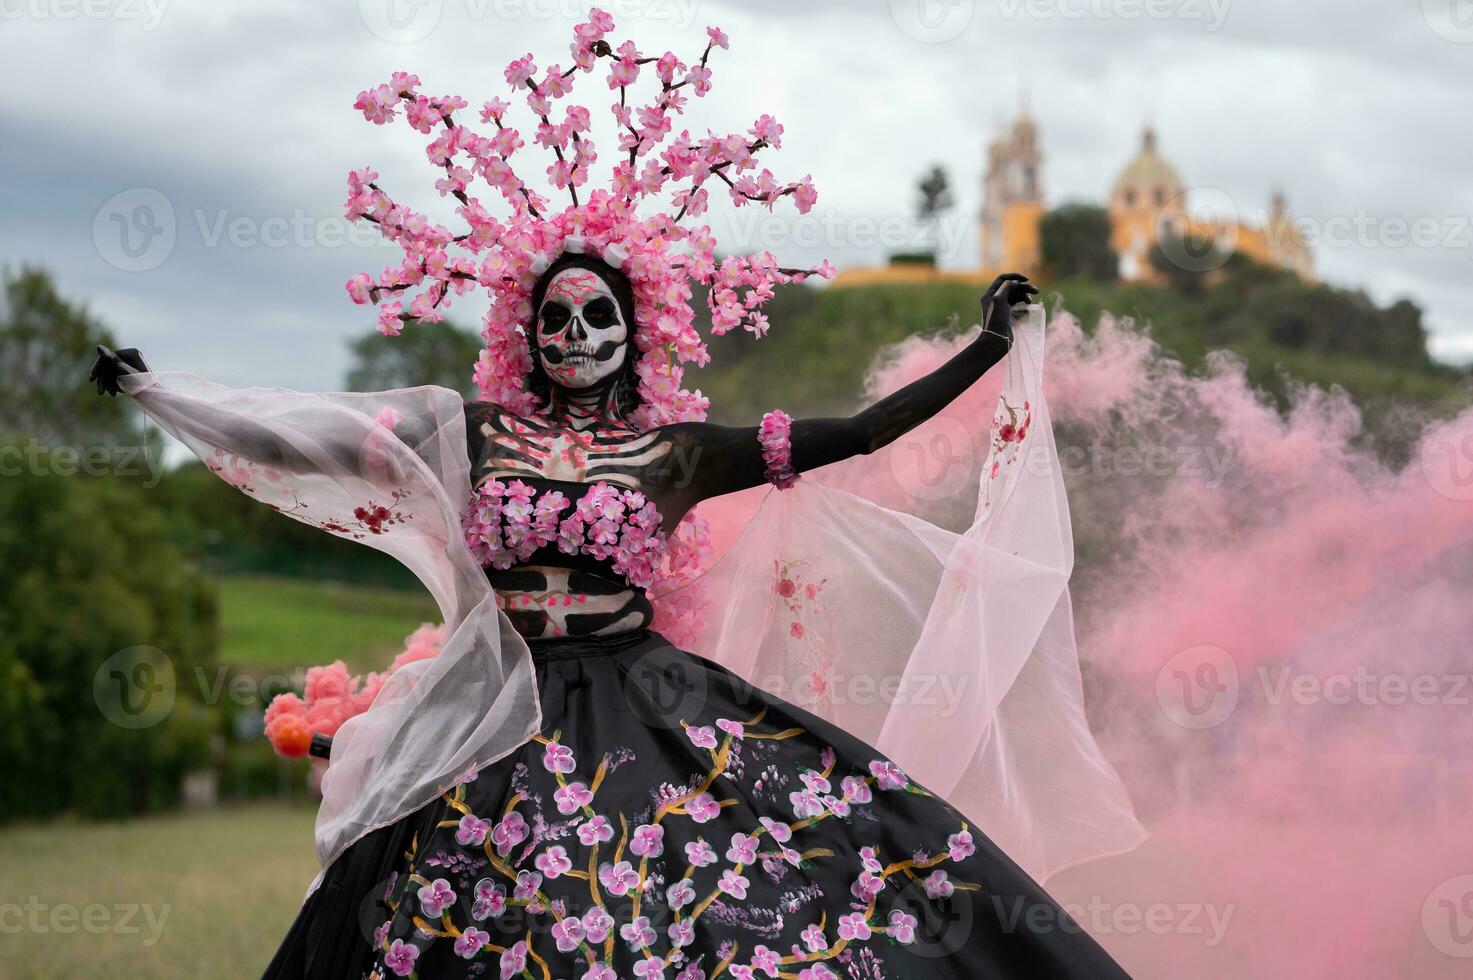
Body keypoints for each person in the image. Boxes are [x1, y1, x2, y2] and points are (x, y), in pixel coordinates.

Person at [90, 11, 1143, 977]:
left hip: (648, 701)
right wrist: (161, 392)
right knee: (439, 913)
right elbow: (309, 432)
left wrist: (987, 349)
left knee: (713, 899)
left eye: (599, 319)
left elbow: (858, 434)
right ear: (527, 329)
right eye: (559, 317)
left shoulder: (675, 453)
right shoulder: (472, 429)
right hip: (495, 705)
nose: (578, 336)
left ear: (636, 332)